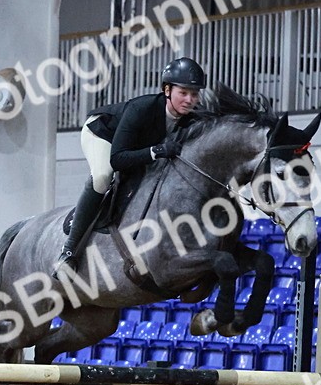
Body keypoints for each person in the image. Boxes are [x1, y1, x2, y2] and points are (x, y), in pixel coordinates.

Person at [55, 57, 207, 277]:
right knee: (102, 176)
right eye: (183, 93)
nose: (189, 100)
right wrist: (156, 151)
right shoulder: (142, 108)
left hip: (136, 145)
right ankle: (68, 250)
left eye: (194, 94)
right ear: (167, 90)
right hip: (103, 133)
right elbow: (117, 159)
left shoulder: (194, 117)